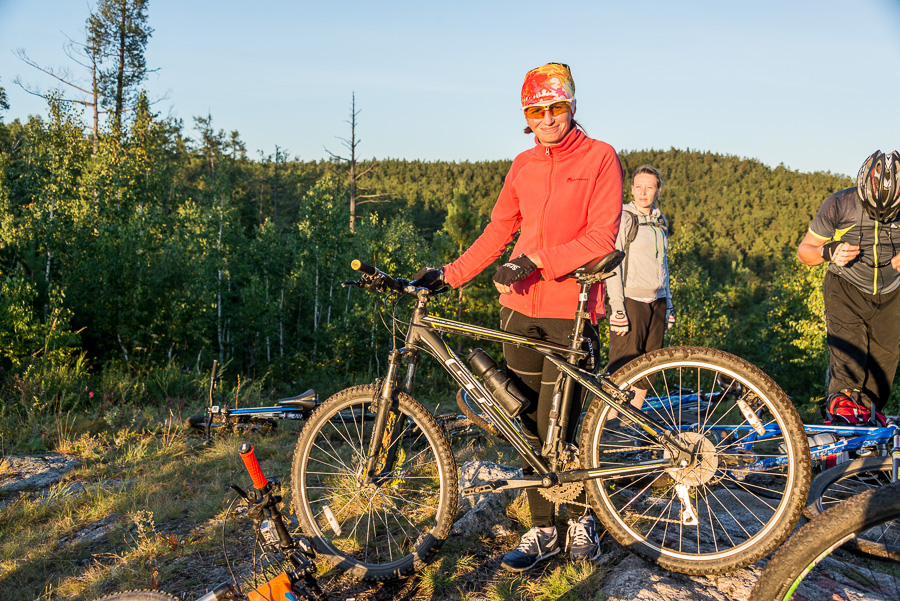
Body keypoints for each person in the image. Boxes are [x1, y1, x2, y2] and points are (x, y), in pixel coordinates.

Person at [413, 62, 623, 572]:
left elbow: (601, 237)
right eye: (536, 109)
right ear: (526, 114)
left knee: (565, 424)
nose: (547, 118)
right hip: (517, 311)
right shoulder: (523, 164)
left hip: (569, 312)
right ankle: (543, 530)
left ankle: (579, 522)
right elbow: (497, 230)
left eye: (555, 107)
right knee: (525, 422)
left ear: (572, 106)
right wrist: (449, 274)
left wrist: (538, 261)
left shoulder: (600, 157)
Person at [797, 150, 900, 423]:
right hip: (845, 287)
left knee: (882, 370)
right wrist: (829, 251)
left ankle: (869, 421)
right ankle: (842, 415)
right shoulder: (839, 204)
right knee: (848, 364)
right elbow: (805, 252)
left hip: (892, 293)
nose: (881, 216)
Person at [604, 165, 673, 411]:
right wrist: (617, 308)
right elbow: (613, 264)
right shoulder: (624, 218)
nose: (643, 192)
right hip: (631, 300)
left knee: (648, 368)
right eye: (638, 187)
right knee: (622, 367)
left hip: (658, 301)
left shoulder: (660, 222)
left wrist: (669, 306)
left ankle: (630, 423)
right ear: (631, 189)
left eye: (649, 187)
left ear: (658, 190)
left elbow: (663, 266)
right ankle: (608, 427)